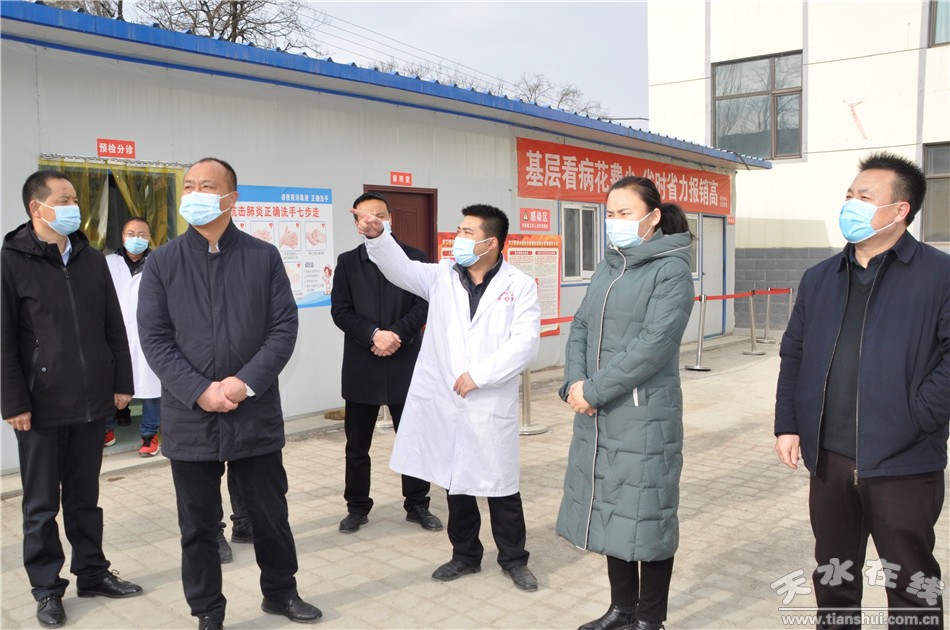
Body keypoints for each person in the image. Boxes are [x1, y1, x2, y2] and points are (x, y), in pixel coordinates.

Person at [137, 157, 321, 630]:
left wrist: (244, 383)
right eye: (189, 186)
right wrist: (199, 390)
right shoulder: (162, 262)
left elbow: (283, 329)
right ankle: (207, 611)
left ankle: (281, 593)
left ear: (231, 198)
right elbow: (154, 338)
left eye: (206, 186)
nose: (194, 194)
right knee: (198, 526)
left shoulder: (263, 257)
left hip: (252, 411)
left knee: (269, 514)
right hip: (190, 415)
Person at [775, 152, 949, 629]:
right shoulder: (820, 278)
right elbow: (794, 353)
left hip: (904, 462)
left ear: (900, 210)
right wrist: (789, 425)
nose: (850, 204)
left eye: (864, 197)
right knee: (835, 577)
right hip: (829, 460)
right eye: (849, 195)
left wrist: (916, 416)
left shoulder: (939, 275)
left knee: (912, 582)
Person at [351, 202, 541, 592]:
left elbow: (525, 344)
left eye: (468, 233)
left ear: (491, 242)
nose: (459, 239)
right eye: (459, 231)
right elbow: (398, 268)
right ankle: (465, 555)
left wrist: (480, 376)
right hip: (447, 400)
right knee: (457, 482)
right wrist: (378, 235)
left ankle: (513, 559)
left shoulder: (519, 285)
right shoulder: (441, 276)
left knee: (501, 486)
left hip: (488, 401)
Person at [1, 170, 144, 628]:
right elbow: (3, 339)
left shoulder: (90, 259)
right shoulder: (11, 261)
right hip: (39, 405)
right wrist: (13, 402)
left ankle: (93, 573)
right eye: (63, 199)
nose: (72, 207)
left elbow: (113, 325)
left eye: (74, 200)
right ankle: (47, 588)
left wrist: (121, 382)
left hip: (90, 400)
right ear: (36, 208)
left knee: (86, 497)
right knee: (41, 504)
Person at [556, 176, 694, 630]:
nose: (614, 221)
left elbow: (654, 345)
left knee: (647, 516)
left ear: (652, 218)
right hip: (599, 411)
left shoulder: (671, 270)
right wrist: (575, 383)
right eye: (610, 213)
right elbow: (581, 325)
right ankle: (622, 609)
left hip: (643, 414)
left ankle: (650, 619)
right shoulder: (609, 265)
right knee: (611, 508)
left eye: (625, 213)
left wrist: (593, 391)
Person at [331, 191, 440, 534]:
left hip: (405, 360)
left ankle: (417, 504)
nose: (373, 220)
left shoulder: (414, 258)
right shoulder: (348, 262)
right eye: (365, 216)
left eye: (380, 214)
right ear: (356, 223)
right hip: (362, 362)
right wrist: (373, 335)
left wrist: (396, 335)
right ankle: (357, 507)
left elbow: (424, 304)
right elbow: (340, 311)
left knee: (413, 438)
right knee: (357, 445)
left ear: (390, 218)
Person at [104, 217, 161, 455]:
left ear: (149, 238)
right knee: (109, 384)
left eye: (142, 235)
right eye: (131, 233)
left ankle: (149, 434)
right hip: (114, 334)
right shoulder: (108, 263)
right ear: (122, 236)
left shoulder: (159, 262)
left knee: (150, 386)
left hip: (148, 334)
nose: (136, 239)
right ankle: (107, 430)